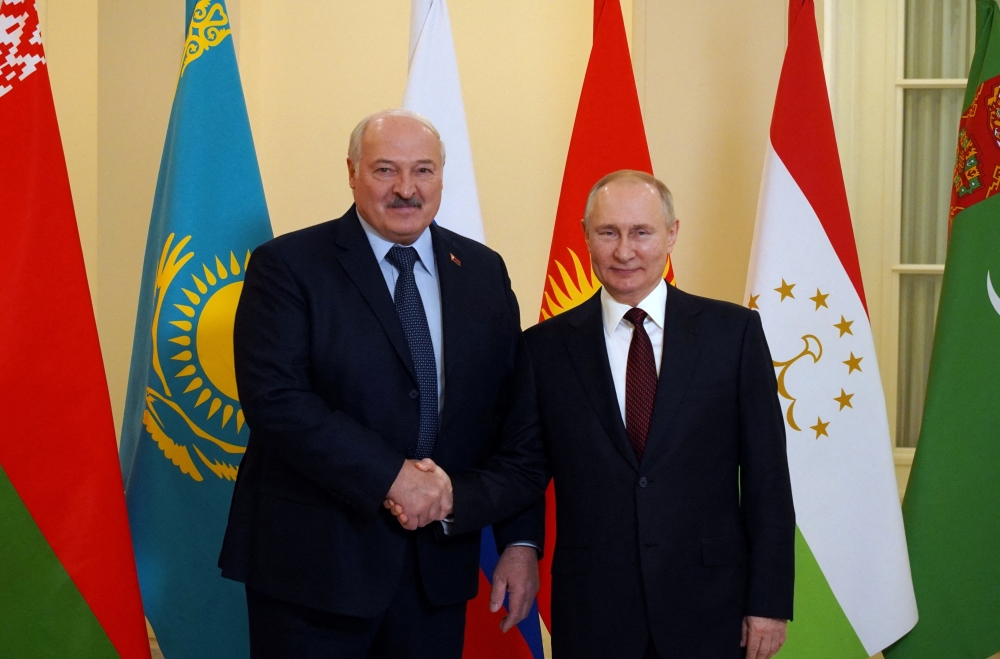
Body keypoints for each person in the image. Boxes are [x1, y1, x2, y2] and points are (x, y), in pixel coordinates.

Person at [397, 170, 795, 658]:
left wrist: (770, 603)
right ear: (585, 234)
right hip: (594, 612)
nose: (624, 251)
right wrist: (487, 522)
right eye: (608, 233)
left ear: (672, 233)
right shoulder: (544, 349)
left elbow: (767, 481)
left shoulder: (733, 335)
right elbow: (524, 467)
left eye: (641, 232)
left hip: (710, 608)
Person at [218, 109, 548, 659]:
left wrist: (518, 540)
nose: (405, 189)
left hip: (435, 575)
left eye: (422, 171)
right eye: (385, 170)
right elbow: (276, 401)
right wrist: (392, 478)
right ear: (351, 172)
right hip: (313, 573)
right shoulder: (288, 266)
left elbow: (514, 419)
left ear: (442, 176)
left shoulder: (484, 272)